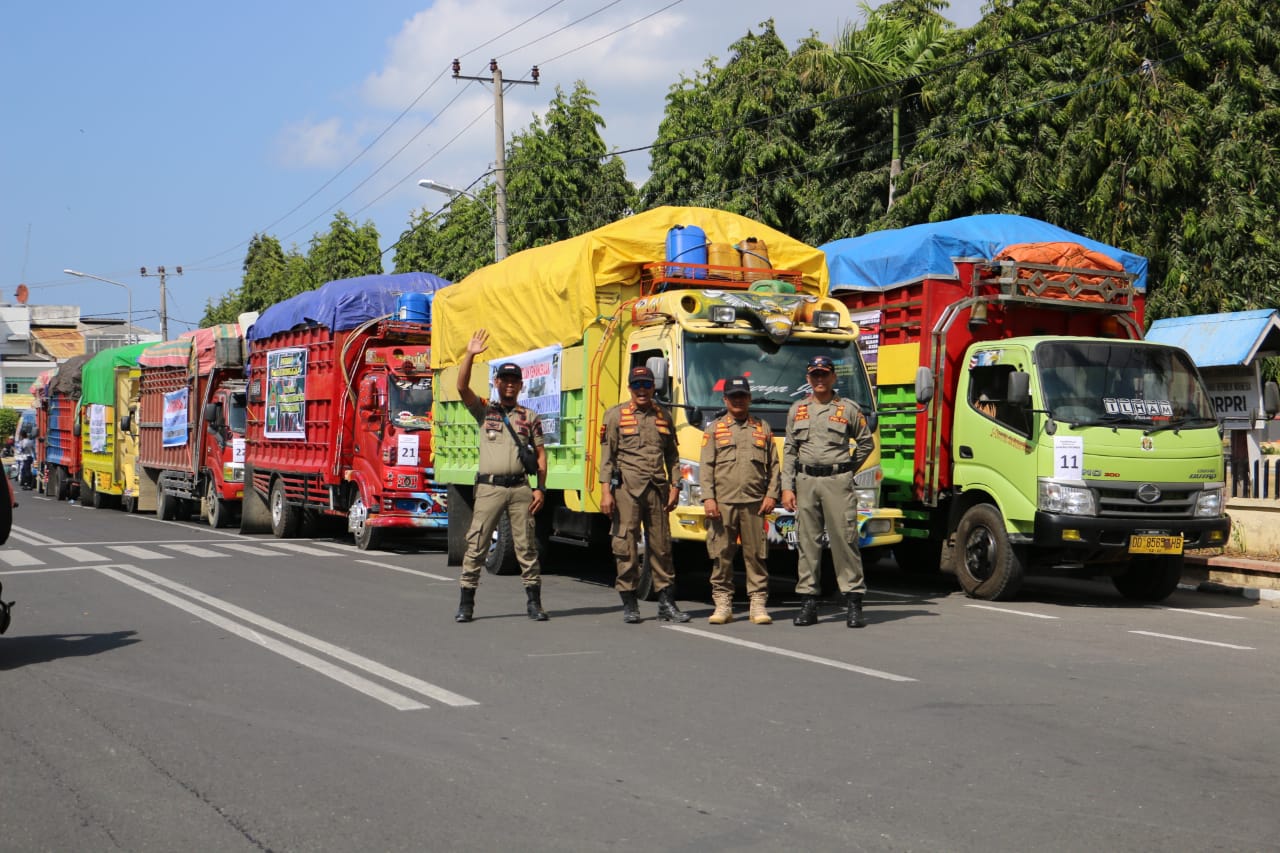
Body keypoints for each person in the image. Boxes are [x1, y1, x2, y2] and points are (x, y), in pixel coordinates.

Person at [453, 329, 549, 623]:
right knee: (478, 543)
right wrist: (470, 354)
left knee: (526, 546)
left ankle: (534, 603)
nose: (509, 385)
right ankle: (466, 603)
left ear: (520, 385)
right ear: (496, 383)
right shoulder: (485, 410)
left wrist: (540, 489)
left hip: (520, 489)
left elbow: (541, 455)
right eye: (504, 380)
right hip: (490, 489)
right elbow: (461, 387)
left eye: (514, 381)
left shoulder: (529, 416)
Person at [780, 355, 875, 628]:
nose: (819, 379)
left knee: (845, 541)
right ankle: (808, 603)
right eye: (815, 375)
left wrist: (846, 469)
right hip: (806, 482)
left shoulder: (847, 409)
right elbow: (790, 451)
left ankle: (854, 602)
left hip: (837, 483)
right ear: (808, 379)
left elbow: (866, 444)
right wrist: (787, 487)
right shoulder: (797, 409)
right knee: (807, 544)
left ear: (833, 377)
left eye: (824, 374)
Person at [599, 365, 688, 624]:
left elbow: (672, 455)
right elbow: (607, 458)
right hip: (627, 487)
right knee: (625, 545)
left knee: (662, 546)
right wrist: (606, 492)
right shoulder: (616, 415)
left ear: (653, 387)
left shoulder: (663, 415)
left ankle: (666, 603)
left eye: (646, 385)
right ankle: (630, 603)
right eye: (636, 385)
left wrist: (676, 485)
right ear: (629, 387)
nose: (642, 390)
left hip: (657, 489)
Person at [700, 376, 780, 625]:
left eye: (742, 396)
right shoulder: (714, 429)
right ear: (725, 399)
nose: (738, 400)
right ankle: (723, 603)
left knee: (755, 554)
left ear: (749, 398)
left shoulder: (762, 428)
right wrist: (708, 498)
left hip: (755, 503)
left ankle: (758, 603)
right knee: (722, 553)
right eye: (733, 396)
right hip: (722, 503)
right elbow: (706, 467)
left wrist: (771, 494)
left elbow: (775, 466)